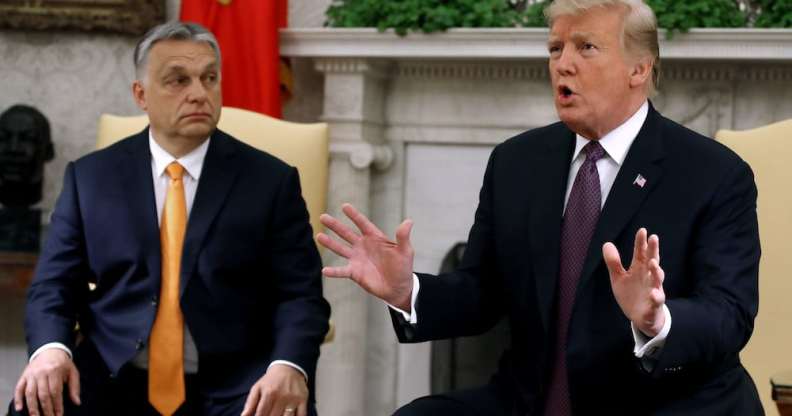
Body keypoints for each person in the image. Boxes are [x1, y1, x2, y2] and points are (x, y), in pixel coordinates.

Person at [317, 0, 763, 414]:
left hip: (660, 403)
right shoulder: (516, 162)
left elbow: (729, 314)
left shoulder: (714, 173)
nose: (562, 64)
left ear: (639, 69)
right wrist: (408, 291)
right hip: (530, 400)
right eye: (555, 48)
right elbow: (482, 292)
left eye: (586, 47)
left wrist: (657, 319)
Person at [9, 22, 329, 416]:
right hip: (113, 373)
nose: (199, 93)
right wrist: (50, 352)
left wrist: (288, 366)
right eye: (178, 80)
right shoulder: (91, 178)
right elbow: (52, 285)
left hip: (237, 384)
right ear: (141, 95)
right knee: (33, 404)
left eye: (209, 78)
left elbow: (300, 295)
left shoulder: (271, 182)